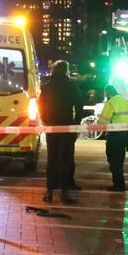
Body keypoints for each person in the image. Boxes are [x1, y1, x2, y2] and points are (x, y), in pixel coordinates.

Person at [37, 60, 83, 204]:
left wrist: (46, 120)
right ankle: (65, 193)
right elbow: (79, 105)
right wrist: (75, 124)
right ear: (66, 71)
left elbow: (40, 105)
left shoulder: (47, 86)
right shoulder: (71, 86)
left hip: (51, 127)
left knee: (52, 159)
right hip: (67, 127)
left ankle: (49, 192)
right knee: (66, 159)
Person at [98, 85, 128, 191]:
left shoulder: (111, 103)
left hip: (114, 135)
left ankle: (118, 185)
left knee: (113, 160)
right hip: (125, 135)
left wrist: (99, 120)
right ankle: (120, 183)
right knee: (120, 160)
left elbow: (103, 121)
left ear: (107, 93)